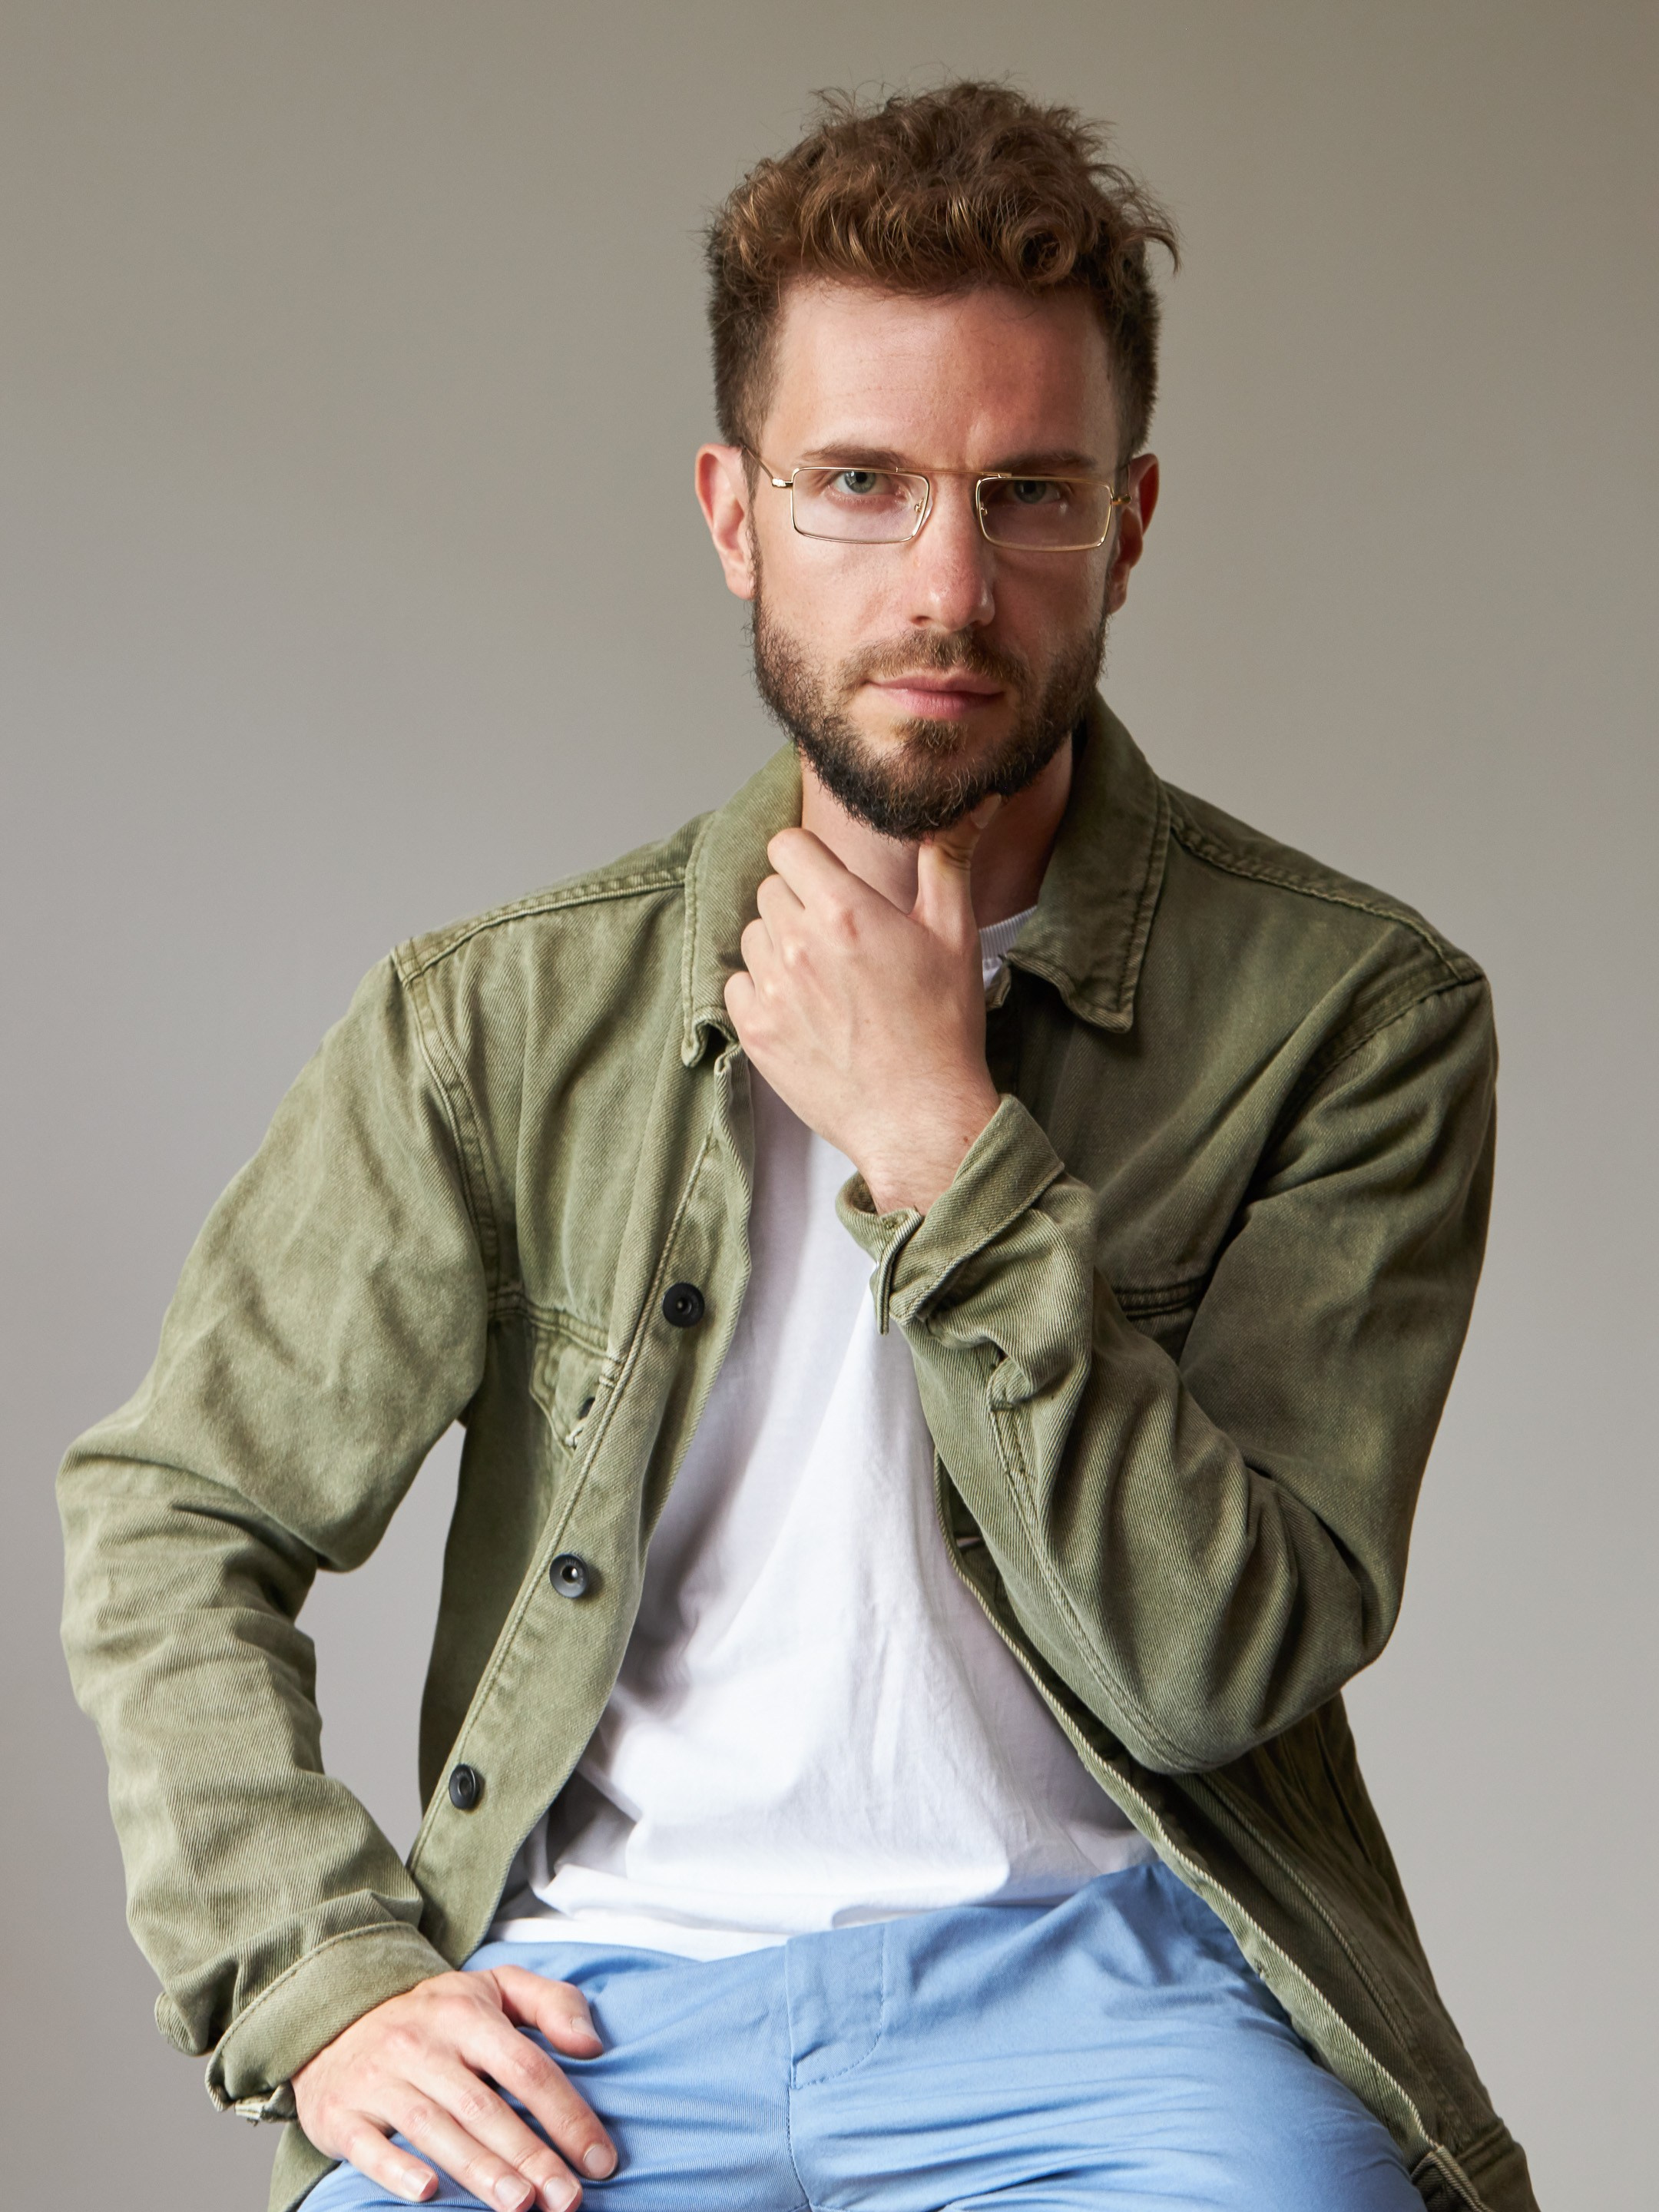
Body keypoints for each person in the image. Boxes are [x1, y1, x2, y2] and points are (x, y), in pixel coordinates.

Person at [58, 81, 1538, 2212]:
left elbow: (1217, 1668)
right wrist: (316, 1974)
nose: (950, 585)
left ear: (1127, 523)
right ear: (734, 512)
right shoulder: (498, 1019)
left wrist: (942, 1138)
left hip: (1118, 2000)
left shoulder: (1354, 1019)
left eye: (1027, 495)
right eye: (861, 483)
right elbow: (174, 1512)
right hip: (596, 2012)